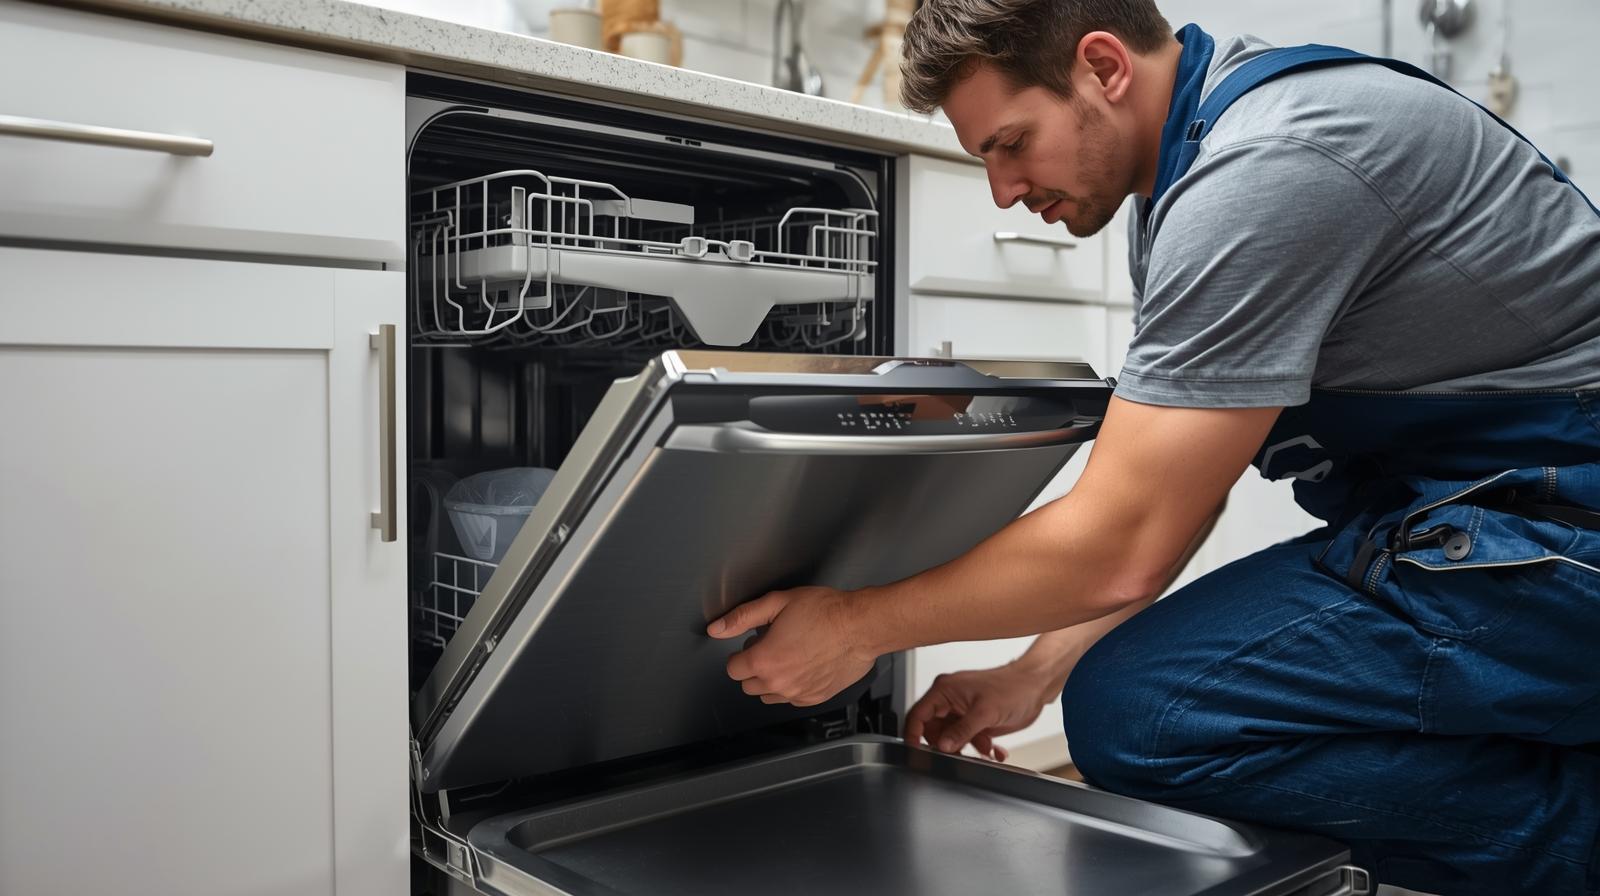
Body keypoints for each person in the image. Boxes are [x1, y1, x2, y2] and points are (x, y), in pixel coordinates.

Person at [705, 1, 1600, 890]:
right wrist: (1035, 669)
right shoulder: (1192, 168)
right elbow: (1183, 485)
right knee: (1141, 693)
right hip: (1488, 516)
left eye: (1011, 143)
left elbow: (1122, 537)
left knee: (1146, 715)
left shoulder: (1267, 167)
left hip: (1561, 531)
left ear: (1103, 66)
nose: (1003, 191)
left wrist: (857, 626)